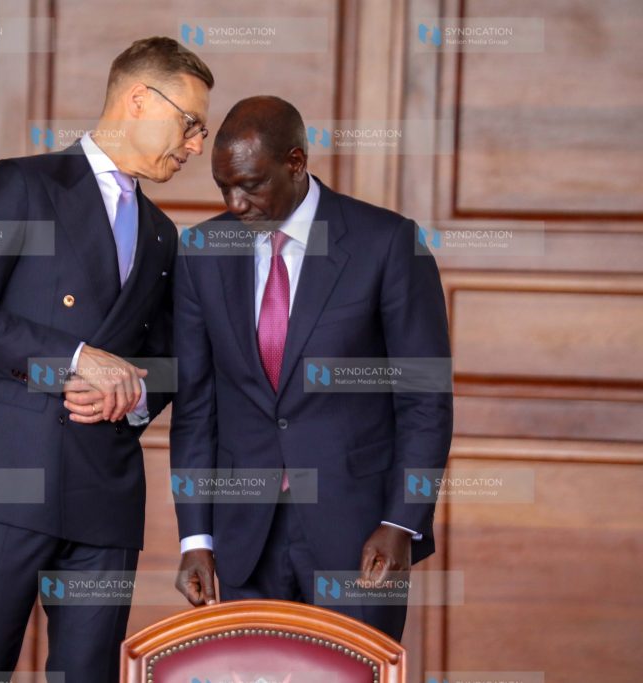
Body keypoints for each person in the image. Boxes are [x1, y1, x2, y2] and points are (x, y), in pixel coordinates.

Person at [0, 37, 213, 682]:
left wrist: (136, 394)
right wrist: (78, 360)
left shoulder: (163, 232)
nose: (196, 145)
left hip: (105, 492)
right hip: (7, 478)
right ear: (140, 98)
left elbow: (166, 358)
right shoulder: (21, 182)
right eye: (191, 123)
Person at [171, 96, 452, 641]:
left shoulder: (387, 243)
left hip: (360, 536)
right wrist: (195, 539)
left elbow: (425, 400)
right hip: (244, 537)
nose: (235, 202)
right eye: (222, 186)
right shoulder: (201, 251)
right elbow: (195, 406)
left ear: (295, 163)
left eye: (250, 184)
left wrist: (401, 523)